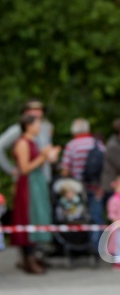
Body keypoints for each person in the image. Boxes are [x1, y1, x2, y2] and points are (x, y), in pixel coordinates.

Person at [11, 114, 61, 274]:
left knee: (38, 216)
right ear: (28, 126)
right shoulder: (23, 143)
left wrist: (48, 156)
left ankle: (34, 255)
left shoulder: (33, 142)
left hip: (36, 183)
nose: (39, 127)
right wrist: (43, 157)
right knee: (28, 217)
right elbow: (25, 168)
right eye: (37, 124)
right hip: (28, 185)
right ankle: (28, 258)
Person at [60, 118, 106, 250]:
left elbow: (65, 171)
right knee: (96, 217)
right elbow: (106, 166)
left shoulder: (71, 145)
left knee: (79, 217)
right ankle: (98, 248)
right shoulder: (98, 144)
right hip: (96, 187)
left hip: (77, 190)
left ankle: (81, 246)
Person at [0, 99, 54, 181]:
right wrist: (10, 169)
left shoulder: (46, 127)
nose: (38, 113)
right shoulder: (17, 129)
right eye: (34, 110)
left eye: (40, 110)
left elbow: (45, 150)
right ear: (25, 112)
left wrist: (51, 155)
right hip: (26, 179)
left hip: (44, 177)